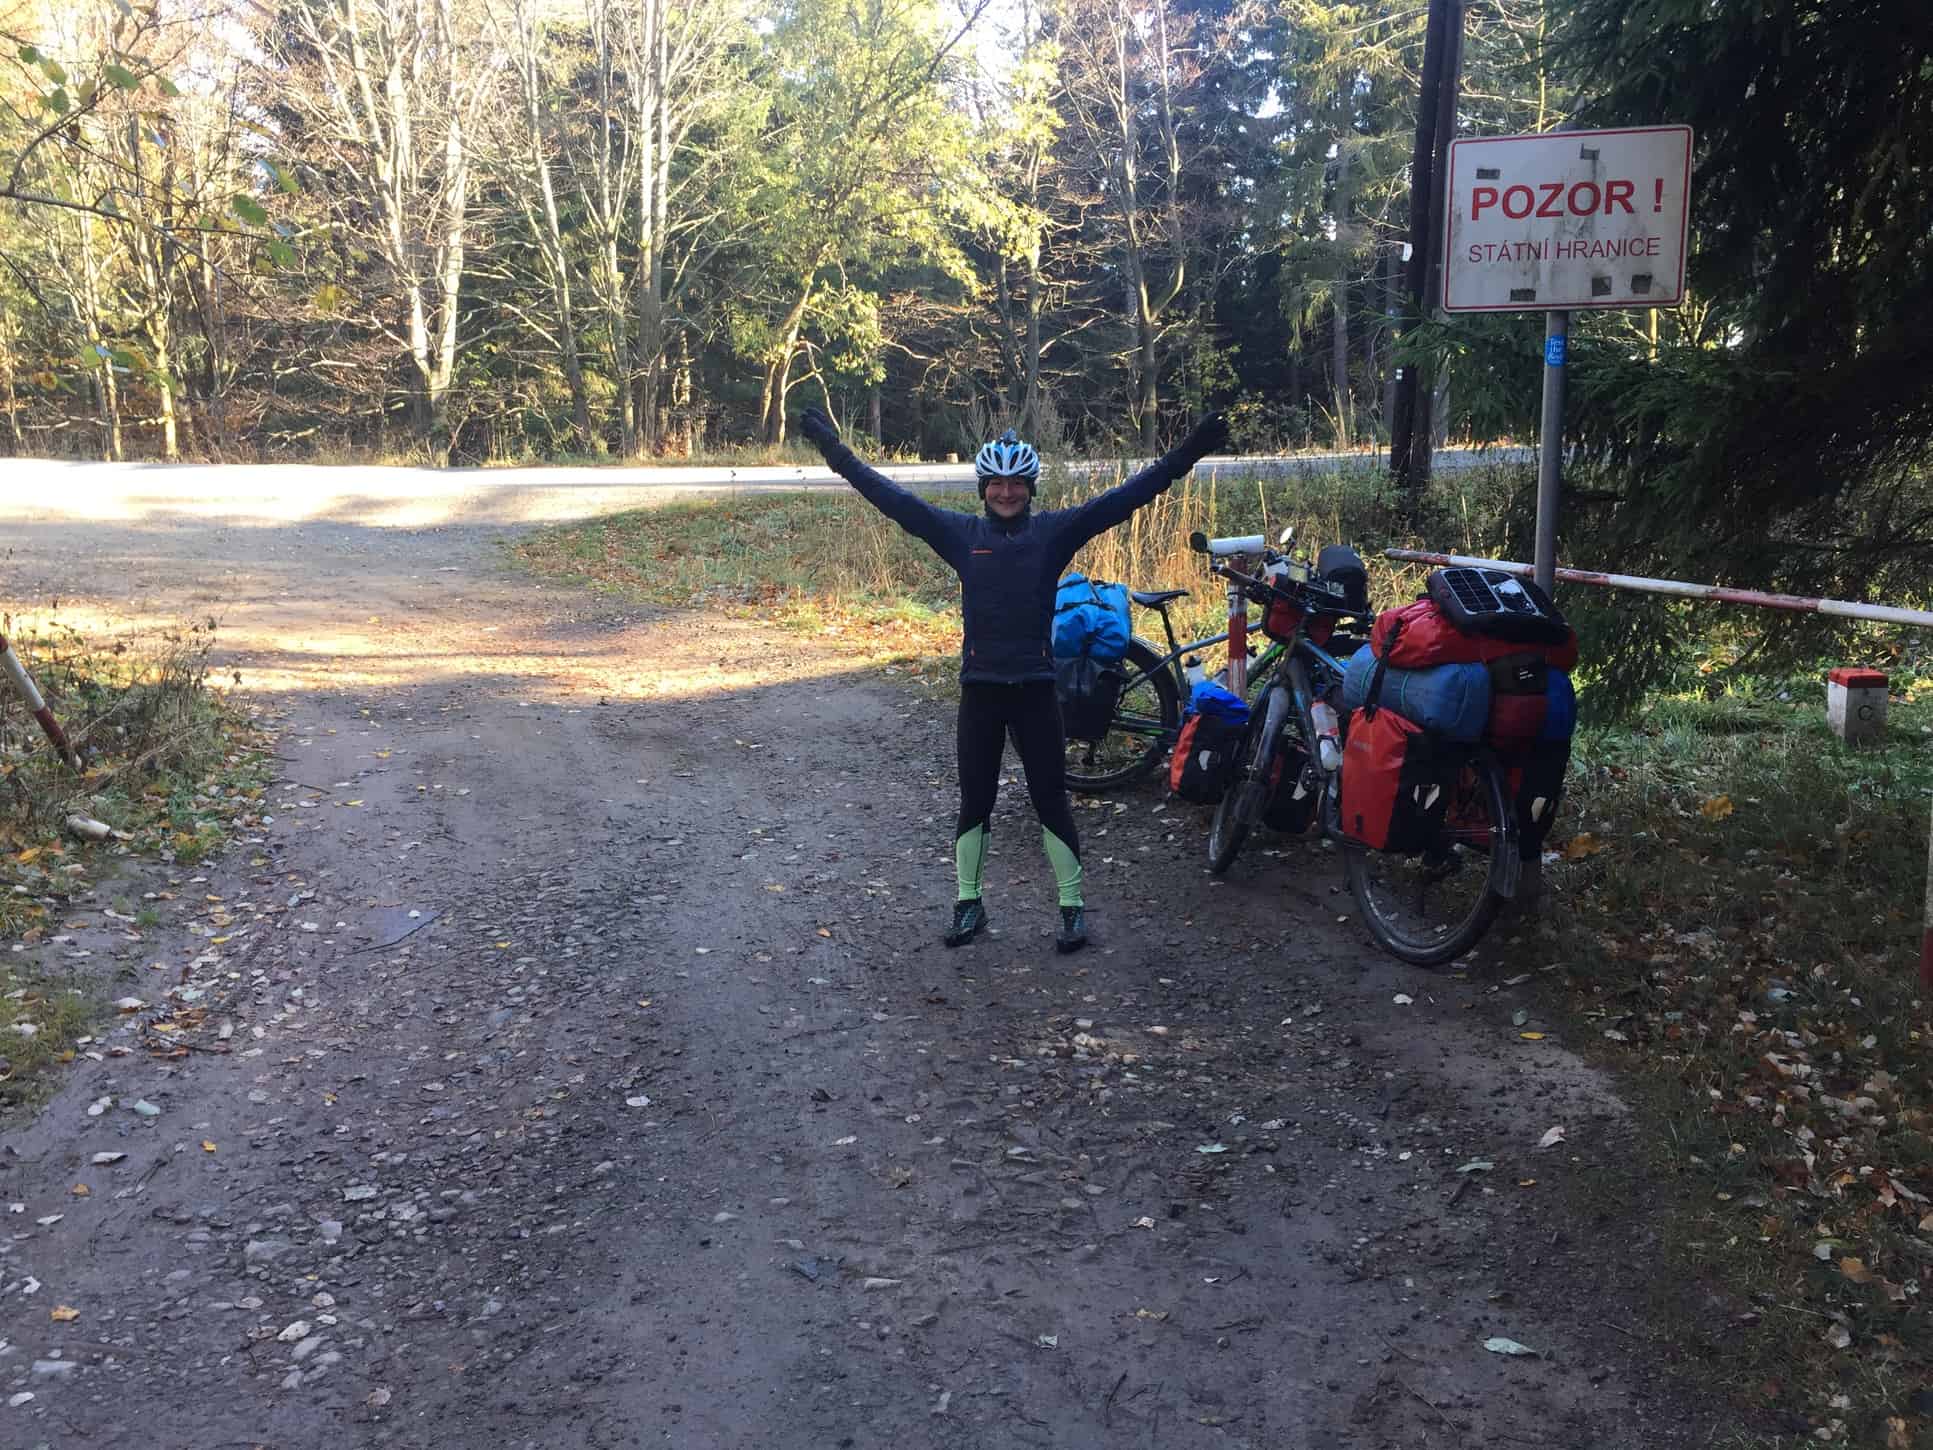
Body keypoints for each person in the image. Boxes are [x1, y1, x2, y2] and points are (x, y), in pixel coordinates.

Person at [797, 405, 1230, 953]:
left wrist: (1189, 450)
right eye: (997, 484)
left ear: (1030, 487)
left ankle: (1072, 910)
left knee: (1050, 799)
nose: (1006, 493)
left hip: (1035, 691)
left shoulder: (1053, 533)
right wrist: (835, 452)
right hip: (980, 691)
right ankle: (968, 905)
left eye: (1017, 483)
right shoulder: (960, 534)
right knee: (975, 801)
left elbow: (1127, 497)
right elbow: (891, 498)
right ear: (983, 488)